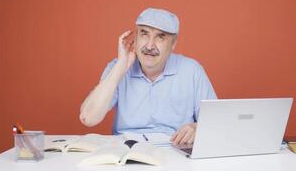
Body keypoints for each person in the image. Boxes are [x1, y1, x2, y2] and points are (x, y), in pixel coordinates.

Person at [79, 8, 217, 145]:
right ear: (136, 38)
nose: (150, 46)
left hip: (175, 149)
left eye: (160, 37)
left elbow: (216, 123)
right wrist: (120, 68)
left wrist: (196, 127)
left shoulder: (192, 70)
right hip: (127, 150)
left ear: (173, 44)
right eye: (144, 34)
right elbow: (88, 118)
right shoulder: (118, 67)